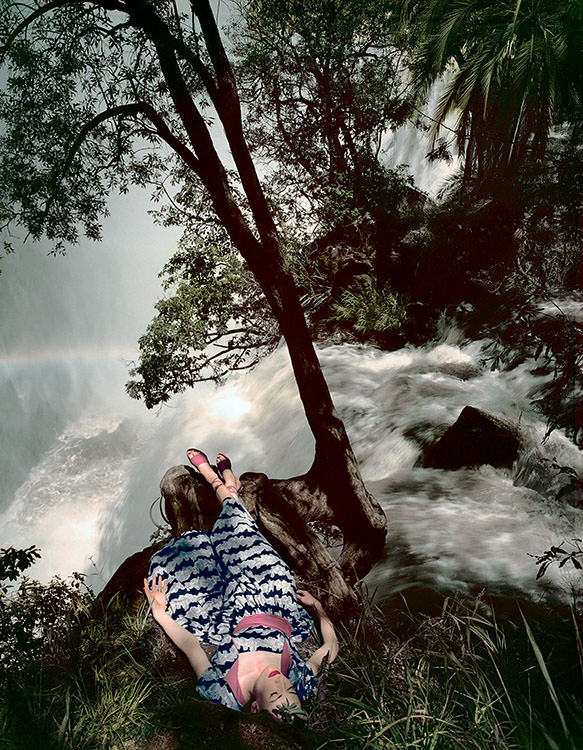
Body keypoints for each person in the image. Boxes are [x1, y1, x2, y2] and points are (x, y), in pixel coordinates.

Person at [144, 449, 339, 717]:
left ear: (256, 707)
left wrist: (160, 614)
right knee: (238, 528)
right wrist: (318, 608)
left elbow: (192, 649)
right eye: (289, 691)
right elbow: (329, 649)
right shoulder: (302, 681)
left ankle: (226, 485)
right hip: (274, 593)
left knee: (194, 555)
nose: (281, 683)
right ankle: (221, 480)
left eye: (274, 693)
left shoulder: (224, 692)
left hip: (233, 605)